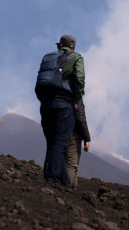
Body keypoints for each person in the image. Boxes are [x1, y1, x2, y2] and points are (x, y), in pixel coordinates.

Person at [39, 34, 84, 185]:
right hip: (64, 103)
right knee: (60, 143)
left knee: (52, 143)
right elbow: (79, 78)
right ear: (74, 47)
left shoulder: (48, 57)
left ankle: (65, 184)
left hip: (45, 104)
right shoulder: (76, 57)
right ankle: (51, 179)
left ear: (59, 45)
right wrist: (77, 99)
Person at [65, 98, 91, 189]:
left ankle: (72, 190)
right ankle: (64, 190)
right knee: (72, 163)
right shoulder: (76, 97)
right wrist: (86, 139)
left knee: (69, 162)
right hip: (72, 133)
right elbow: (80, 118)